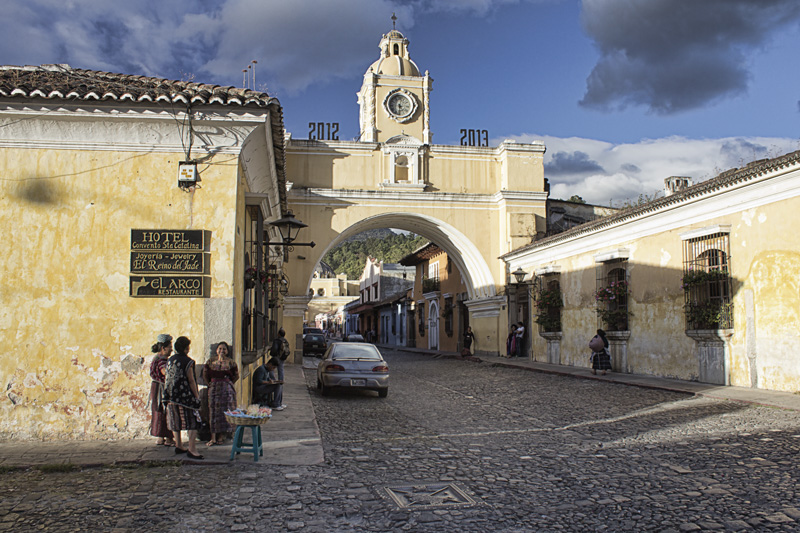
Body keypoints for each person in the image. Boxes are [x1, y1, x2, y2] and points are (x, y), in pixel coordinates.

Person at [163, 336, 204, 459]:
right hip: (185, 396)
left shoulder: (170, 360)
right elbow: (191, 380)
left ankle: (179, 444)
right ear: (186, 348)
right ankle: (192, 449)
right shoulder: (188, 361)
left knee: (175, 420)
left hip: (170, 395)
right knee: (193, 421)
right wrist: (197, 397)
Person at [202, 341, 239, 447]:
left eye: (224, 349)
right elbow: (205, 373)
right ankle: (212, 437)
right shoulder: (210, 362)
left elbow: (236, 376)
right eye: (220, 348)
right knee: (213, 412)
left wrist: (229, 384)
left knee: (225, 412)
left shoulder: (231, 362)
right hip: (214, 388)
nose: (222, 351)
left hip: (226, 389)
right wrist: (209, 383)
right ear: (216, 350)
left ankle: (221, 436)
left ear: (227, 351)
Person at [148, 334, 175, 447]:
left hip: (155, 387)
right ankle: (168, 438)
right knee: (166, 411)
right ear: (163, 348)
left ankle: (160, 437)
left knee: (158, 410)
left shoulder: (156, 358)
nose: (171, 349)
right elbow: (165, 372)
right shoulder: (162, 360)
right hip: (161, 388)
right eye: (169, 347)